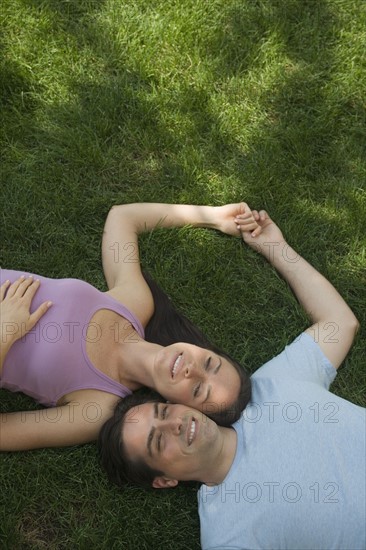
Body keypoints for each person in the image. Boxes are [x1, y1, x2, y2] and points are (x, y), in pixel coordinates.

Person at [98, 210, 365, 549]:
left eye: (164, 414)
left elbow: (340, 324)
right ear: (165, 480)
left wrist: (275, 246)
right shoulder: (227, 532)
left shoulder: (270, 384)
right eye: (157, 442)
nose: (174, 426)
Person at [0, 202, 259, 451]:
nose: (192, 369)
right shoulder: (137, 303)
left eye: (198, 389)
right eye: (208, 363)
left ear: (178, 406)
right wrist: (213, 217)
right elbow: (122, 218)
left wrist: (5, 333)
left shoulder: (97, 409)